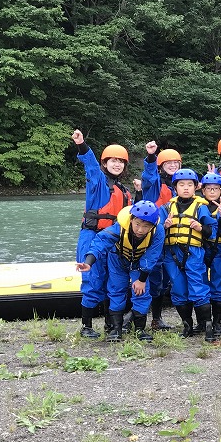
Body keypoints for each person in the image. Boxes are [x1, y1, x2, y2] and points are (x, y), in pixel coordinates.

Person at [71, 129, 132, 338]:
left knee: (113, 282)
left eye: (120, 161)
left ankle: (110, 324)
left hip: (114, 239)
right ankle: (86, 326)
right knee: (93, 280)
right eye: (112, 161)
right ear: (105, 163)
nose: (117, 164)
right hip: (92, 236)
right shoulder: (98, 181)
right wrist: (82, 145)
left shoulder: (124, 190)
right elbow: (91, 166)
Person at [75, 201, 165, 342]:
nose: (140, 230)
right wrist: (89, 262)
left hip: (139, 263)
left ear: (152, 226)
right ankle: (116, 329)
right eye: (137, 224)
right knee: (116, 290)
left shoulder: (158, 231)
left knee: (142, 293)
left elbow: (152, 256)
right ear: (131, 220)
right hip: (118, 260)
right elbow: (100, 243)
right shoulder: (119, 227)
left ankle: (140, 330)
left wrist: (141, 279)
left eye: (146, 226)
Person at [159, 168, 218, 341]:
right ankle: (187, 325)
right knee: (178, 289)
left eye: (190, 185)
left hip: (193, 252)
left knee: (198, 288)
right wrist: (164, 227)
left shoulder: (201, 207)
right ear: (175, 187)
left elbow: (212, 231)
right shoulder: (166, 208)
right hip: (172, 253)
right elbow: (155, 233)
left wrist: (200, 228)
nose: (186, 188)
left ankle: (207, 325)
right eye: (182, 185)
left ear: (196, 187)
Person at [140, 143, 182, 331]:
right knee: (155, 279)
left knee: (165, 281)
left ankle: (157, 319)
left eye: (176, 163)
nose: (173, 166)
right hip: (155, 238)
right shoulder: (155, 184)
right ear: (161, 165)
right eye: (168, 163)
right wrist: (151, 157)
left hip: (173, 240)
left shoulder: (181, 187)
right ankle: (147, 317)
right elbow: (148, 177)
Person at [199, 172, 221, 336]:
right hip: (203, 249)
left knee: (219, 284)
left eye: (216, 189)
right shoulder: (199, 207)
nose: (212, 192)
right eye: (209, 189)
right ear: (203, 191)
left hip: (219, 249)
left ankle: (219, 321)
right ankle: (203, 321)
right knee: (201, 283)